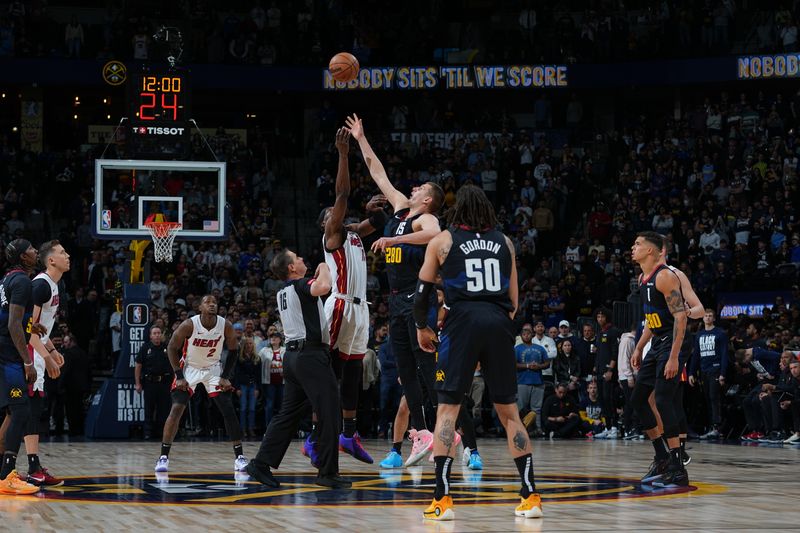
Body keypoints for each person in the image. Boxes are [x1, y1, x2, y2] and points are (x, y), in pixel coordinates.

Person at [414, 185, 541, 521]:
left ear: (457, 212)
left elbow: (422, 292)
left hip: (461, 321)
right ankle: (531, 496)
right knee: (510, 412)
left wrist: (422, 327)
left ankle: (442, 499)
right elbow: (514, 300)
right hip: (498, 321)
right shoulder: (506, 242)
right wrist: (496, 323)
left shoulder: (443, 240)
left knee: (447, 411)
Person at [346, 114, 445, 466]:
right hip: (394, 300)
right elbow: (377, 171)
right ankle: (422, 434)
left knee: (427, 371)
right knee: (405, 373)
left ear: (429, 200)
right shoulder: (401, 207)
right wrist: (360, 137)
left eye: (421, 189)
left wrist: (393, 237)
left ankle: (450, 431)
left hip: (418, 300)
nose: (414, 189)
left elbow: (434, 234)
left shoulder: (424, 218)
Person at [245, 250, 350, 489]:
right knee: (330, 411)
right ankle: (327, 472)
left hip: (293, 357)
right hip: (310, 356)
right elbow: (324, 286)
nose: (303, 260)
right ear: (292, 268)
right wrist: (325, 265)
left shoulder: (283, 291)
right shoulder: (301, 285)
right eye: (299, 258)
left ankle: (261, 463)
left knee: (288, 414)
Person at [312, 127, 384, 465]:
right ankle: (313, 437)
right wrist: (343, 155)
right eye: (331, 214)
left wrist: (375, 207)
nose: (336, 213)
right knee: (328, 372)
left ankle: (348, 434)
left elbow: (378, 221)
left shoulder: (353, 233)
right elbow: (341, 196)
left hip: (361, 310)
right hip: (339, 304)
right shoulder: (333, 236)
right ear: (326, 224)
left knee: (354, 372)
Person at [0, 240, 68, 487]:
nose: (67, 255)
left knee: (19, 412)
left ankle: (25, 468)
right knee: (23, 411)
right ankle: (18, 470)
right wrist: (39, 358)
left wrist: (50, 347)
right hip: (20, 354)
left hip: (24, 352)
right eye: (62, 252)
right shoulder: (36, 285)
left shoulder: (41, 284)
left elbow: (33, 325)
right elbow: (22, 328)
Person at [155, 295, 248, 473]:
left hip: (213, 369)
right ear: (200, 307)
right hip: (190, 368)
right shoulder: (189, 324)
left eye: (215, 302)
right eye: (208, 302)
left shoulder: (225, 325)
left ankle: (240, 457)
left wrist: (226, 376)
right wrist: (179, 375)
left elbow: (234, 351)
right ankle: (163, 457)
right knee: (176, 409)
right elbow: (172, 348)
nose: (212, 304)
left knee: (227, 408)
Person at [629, 232, 690, 487]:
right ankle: (662, 456)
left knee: (664, 399)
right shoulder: (643, 279)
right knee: (638, 400)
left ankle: (678, 466)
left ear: (652, 251)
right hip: (657, 344)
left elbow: (681, 317)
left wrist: (674, 356)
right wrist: (639, 347)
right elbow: (651, 321)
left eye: (638, 244)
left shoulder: (664, 276)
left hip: (673, 344)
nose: (633, 248)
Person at [0, 239, 42, 494]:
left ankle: (2, 472)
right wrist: (28, 361)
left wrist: (31, 326)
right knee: (21, 412)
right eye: (31, 249)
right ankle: (7, 475)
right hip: (10, 357)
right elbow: (12, 324)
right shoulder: (24, 282)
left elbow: (12, 317)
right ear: (23, 257)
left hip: (4, 352)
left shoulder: (7, 279)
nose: (35, 251)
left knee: (10, 414)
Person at [690, 309, 728, 440]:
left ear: (714, 318)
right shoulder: (699, 335)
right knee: (707, 399)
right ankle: (711, 426)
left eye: (710, 315)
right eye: (705, 316)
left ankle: (717, 427)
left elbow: (724, 354)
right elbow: (695, 355)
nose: (707, 318)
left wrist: (723, 373)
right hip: (703, 371)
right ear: (702, 318)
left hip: (716, 369)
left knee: (714, 398)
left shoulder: (720, 333)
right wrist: (691, 373)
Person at [135, 326, 172, 440]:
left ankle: (161, 433)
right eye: (154, 333)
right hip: (150, 383)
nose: (157, 335)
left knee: (164, 409)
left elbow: (174, 365)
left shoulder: (167, 348)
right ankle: (148, 433)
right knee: (149, 409)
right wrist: (138, 383)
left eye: (159, 333)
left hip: (164, 383)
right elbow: (138, 366)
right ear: (150, 336)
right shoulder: (145, 348)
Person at [516, 324, 549, 436]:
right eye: (524, 334)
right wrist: (527, 366)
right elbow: (513, 364)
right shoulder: (517, 349)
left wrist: (538, 366)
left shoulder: (540, 348)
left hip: (538, 381)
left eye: (528, 333)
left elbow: (547, 363)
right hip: (522, 381)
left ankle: (538, 429)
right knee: (521, 408)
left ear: (532, 334)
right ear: (521, 336)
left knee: (537, 409)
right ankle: (520, 429)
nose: (526, 336)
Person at [234, 337, 261, 438]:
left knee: (252, 408)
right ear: (244, 345)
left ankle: (251, 428)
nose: (249, 345)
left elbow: (259, 375)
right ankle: (243, 429)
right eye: (247, 344)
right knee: (243, 408)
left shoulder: (257, 358)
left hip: (253, 385)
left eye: (250, 343)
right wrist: (237, 388)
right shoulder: (239, 358)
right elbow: (237, 374)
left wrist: (258, 388)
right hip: (242, 385)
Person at [258, 332, 284, 427]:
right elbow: (256, 361)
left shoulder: (284, 350)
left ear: (280, 340)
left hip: (282, 383)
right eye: (271, 337)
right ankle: (269, 427)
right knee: (269, 406)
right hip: (269, 383)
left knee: (281, 406)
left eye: (276, 337)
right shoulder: (264, 350)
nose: (273, 338)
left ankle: (281, 427)